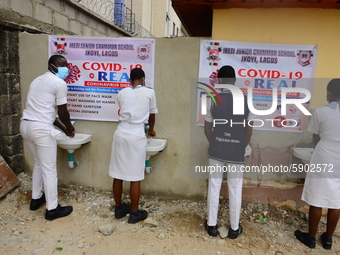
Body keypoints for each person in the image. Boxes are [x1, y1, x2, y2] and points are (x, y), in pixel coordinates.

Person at [20, 55, 75, 220]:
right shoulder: (59, 83)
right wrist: (70, 127)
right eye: (62, 65)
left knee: (38, 163)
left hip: (26, 126)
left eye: (66, 65)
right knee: (49, 169)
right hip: (41, 130)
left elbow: (46, 113)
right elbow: (63, 112)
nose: (65, 69)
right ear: (52, 65)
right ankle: (52, 209)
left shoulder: (36, 80)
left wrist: (64, 129)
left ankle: (36, 199)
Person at [204, 65, 253, 239]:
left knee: (214, 186)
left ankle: (212, 226)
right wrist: (239, 145)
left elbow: (207, 128)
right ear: (234, 80)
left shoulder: (213, 99)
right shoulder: (246, 100)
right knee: (235, 188)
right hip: (236, 151)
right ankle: (234, 228)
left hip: (216, 148)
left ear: (219, 81)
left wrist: (216, 142)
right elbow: (248, 131)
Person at [294, 78, 340, 250]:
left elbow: (315, 136)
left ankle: (311, 237)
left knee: (317, 199)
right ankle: (328, 240)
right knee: (337, 201)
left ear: (329, 93)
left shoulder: (321, 112)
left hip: (324, 155)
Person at [109, 68, 157, 224]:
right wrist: (151, 130)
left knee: (118, 173)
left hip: (121, 132)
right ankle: (135, 213)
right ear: (143, 79)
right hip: (136, 134)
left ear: (130, 79)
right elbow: (152, 115)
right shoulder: (149, 93)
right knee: (135, 176)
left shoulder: (122, 93)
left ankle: (118, 208)